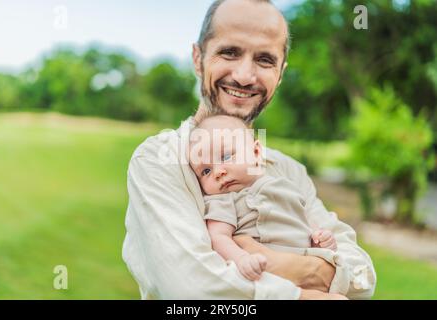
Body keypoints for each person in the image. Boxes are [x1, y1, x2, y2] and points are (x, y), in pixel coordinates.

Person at [123, 0, 376, 299]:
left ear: (280, 74)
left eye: (265, 60)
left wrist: (262, 259)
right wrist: (312, 287)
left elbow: (362, 277)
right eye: (229, 52)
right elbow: (195, 291)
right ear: (197, 58)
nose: (244, 76)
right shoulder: (159, 159)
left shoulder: (288, 170)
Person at [189, 115, 344, 300]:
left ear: (255, 153)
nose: (218, 172)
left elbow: (301, 218)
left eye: (227, 156)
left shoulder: (283, 183)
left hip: (304, 260)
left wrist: (320, 237)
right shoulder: (223, 200)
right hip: (266, 273)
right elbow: (219, 237)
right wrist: (241, 259)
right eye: (205, 171)